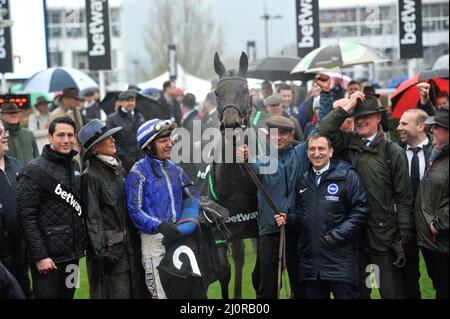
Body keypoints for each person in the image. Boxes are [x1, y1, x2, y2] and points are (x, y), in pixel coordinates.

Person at [237, 73, 334, 299]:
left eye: (284, 133)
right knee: (268, 290)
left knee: (300, 288)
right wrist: (242, 157)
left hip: (298, 230)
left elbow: (323, 127)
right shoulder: (259, 158)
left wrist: (326, 94)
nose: (278, 137)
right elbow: (246, 169)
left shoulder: (302, 153)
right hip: (270, 233)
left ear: (292, 135)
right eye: (274, 133)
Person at [318, 92, 415, 299]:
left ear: (378, 117)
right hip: (354, 239)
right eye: (356, 117)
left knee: (390, 293)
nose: (360, 121)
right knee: (360, 293)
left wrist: (404, 236)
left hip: (383, 239)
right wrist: (348, 106)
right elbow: (323, 130)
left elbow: (404, 196)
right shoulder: (346, 143)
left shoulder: (392, 151)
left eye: (367, 116)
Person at [275, 134, 369, 299]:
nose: (316, 153)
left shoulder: (347, 175)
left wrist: (337, 235)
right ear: (307, 153)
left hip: (340, 264)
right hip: (312, 267)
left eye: (321, 148)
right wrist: (289, 219)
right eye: (312, 149)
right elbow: (302, 216)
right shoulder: (302, 181)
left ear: (331, 152)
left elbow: (361, 210)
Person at [125, 118, 200, 299]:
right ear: (149, 146)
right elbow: (135, 212)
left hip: (178, 237)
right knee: (161, 295)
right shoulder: (137, 173)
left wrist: (196, 210)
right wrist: (159, 225)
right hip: (154, 242)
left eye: (169, 139)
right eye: (163, 141)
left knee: (184, 293)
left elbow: (193, 195)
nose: (169, 144)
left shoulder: (176, 169)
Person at [16, 116, 86, 299]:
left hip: (73, 257)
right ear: (49, 137)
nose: (66, 140)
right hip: (48, 260)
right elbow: (26, 217)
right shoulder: (33, 170)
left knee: (69, 296)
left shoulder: (74, 165)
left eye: (70, 135)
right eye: (60, 135)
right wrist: (40, 257)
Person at [78, 119, 147, 299]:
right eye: (107, 138)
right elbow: (92, 219)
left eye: (111, 136)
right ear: (95, 148)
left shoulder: (118, 168)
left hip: (130, 248)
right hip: (112, 254)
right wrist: (103, 252)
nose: (113, 140)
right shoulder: (90, 176)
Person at [397, 108, 432, 299]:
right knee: (407, 281)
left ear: (420, 126)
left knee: (440, 278)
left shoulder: (438, 151)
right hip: (405, 227)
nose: (398, 127)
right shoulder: (396, 152)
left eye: (403, 124)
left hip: (433, 228)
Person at [416, 108, 449, 299]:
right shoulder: (436, 154)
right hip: (433, 245)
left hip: (443, 243)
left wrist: (438, 224)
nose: (432, 131)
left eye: (436, 127)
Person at [0, 120, 33, 298]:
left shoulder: (16, 165)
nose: (5, 135)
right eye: (0, 132)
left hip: (21, 251)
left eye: (5, 131)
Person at [106, 89, 146, 174]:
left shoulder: (139, 116)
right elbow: (110, 140)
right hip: (123, 162)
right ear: (121, 102)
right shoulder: (112, 119)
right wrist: (125, 156)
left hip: (140, 159)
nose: (131, 103)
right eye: (128, 101)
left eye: (133, 100)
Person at [49, 87, 85, 166]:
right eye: (75, 99)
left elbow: (80, 130)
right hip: (64, 155)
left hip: (80, 152)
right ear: (66, 99)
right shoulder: (55, 114)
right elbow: (53, 138)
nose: (78, 102)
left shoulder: (77, 111)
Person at [0, 102, 39, 166]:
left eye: (16, 112)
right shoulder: (1, 136)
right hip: (9, 174)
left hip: (30, 173)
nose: (14, 115)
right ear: (2, 116)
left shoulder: (29, 134)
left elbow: (37, 157)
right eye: (9, 113)